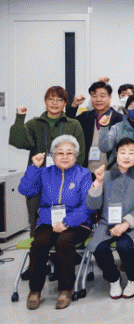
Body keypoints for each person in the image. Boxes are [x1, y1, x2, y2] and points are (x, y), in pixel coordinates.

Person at [18, 135, 92, 310]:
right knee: (39, 242)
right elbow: (25, 190)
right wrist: (34, 168)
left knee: (64, 241)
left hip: (77, 223)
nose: (65, 156)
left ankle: (65, 289)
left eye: (69, 153)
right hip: (48, 221)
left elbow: (88, 205)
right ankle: (35, 290)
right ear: (53, 155)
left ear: (76, 156)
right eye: (60, 153)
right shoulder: (44, 173)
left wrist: (67, 222)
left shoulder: (84, 174)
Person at [9, 86, 85, 237]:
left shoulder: (73, 124)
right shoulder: (34, 123)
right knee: (36, 216)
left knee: (65, 217)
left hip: (66, 178)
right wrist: (20, 118)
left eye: (59, 100)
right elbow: (19, 142)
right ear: (45, 101)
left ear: (65, 103)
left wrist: (75, 178)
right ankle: (38, 245)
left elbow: (80, 153)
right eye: (51, 99)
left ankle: (62, 247)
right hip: (40, 177)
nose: (55, 103)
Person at [86, 138, 134, 299]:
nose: (126, 156)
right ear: (116, 154)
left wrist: (126, 223)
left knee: (124, 246)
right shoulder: (106, 175)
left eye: (131, 153)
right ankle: (113, 279)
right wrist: (97, 182)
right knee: (99, 248)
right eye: (122, 152)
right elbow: (93, 205)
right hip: (106, 223)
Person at [67, 80, 123, 171]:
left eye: (102, 96)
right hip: (87, 171)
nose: (98, 99)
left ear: (110, 97)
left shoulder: (120, 119)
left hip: (111, 172)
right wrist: (74, 106)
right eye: (94, 96)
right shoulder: (86, 117)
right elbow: (68, 124)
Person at [99, 95, 134, 168]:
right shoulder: (116, 127)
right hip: (118, 171)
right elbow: (104, 148)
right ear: (126, 110)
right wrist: (104, 127)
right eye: (131, 106)